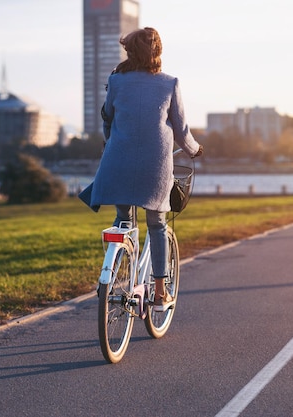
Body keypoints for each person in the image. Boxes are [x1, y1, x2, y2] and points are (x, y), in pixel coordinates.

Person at [80, 27, 202, 312]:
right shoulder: (170, 83)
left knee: (124, 220)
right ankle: (159, 295)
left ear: (130, 52)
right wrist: (196, 150)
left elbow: (107, 120)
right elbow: (182, 132)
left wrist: (112, 144)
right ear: (157, 52)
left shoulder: (116, 81)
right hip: (155, 166)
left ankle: (117, 272)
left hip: (116, 162)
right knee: (157, 224)